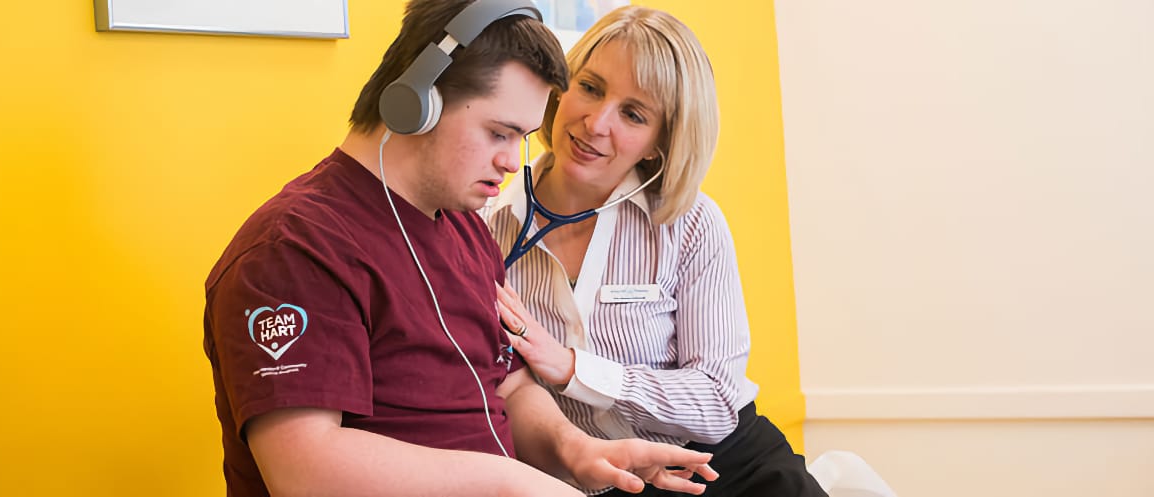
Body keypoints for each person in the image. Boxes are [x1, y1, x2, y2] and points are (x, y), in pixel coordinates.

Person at [201, 1, 720, 496]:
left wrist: (576, 449)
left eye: (523, 137)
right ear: (416, 102)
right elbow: (304, 471)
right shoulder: (295, 249)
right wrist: (510, 482)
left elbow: (508, 389)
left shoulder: (466, 227)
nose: (514, 161)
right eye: (499, 133)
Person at [487, 5, 828, 496]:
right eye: (590, 87)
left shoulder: (690, 225)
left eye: (633, 114)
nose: (596, 122)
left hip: (723, 469)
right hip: (599, 481)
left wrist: (573, 368)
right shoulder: (485, 225)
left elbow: (715, 400)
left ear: (657, 143)